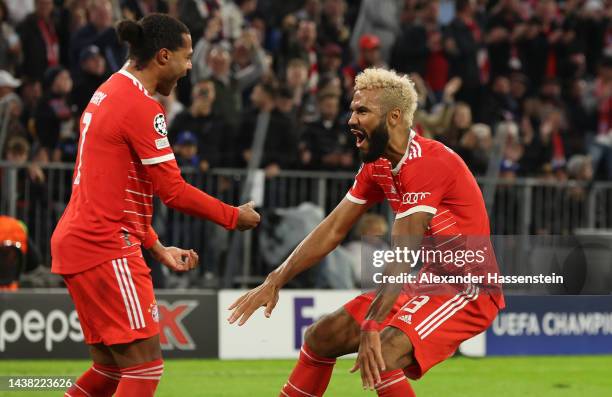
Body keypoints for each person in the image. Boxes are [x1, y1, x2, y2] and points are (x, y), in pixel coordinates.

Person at [228, 68, 504, 396]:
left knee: (382, 354)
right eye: (352, 110)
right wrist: (275, 279)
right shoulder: (378, 165)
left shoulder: (428, 163)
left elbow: (403, 251)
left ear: (394, 117)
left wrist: (373, 323)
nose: (351, 120)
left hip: (468, 289)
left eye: (362, 111)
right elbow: (333, 228)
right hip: (429, 280)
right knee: (321, 337)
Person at [50, 14, 260, 397]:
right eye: (187, 56)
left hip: (82, 240)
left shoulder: (109, 90)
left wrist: (157, 246)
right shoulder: (141, 107)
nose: (190, 67)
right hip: (106, 245)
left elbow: (114, 188)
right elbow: (174, 192)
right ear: (163, 56)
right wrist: (233, 216)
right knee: (145, 368)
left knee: (111, 370)